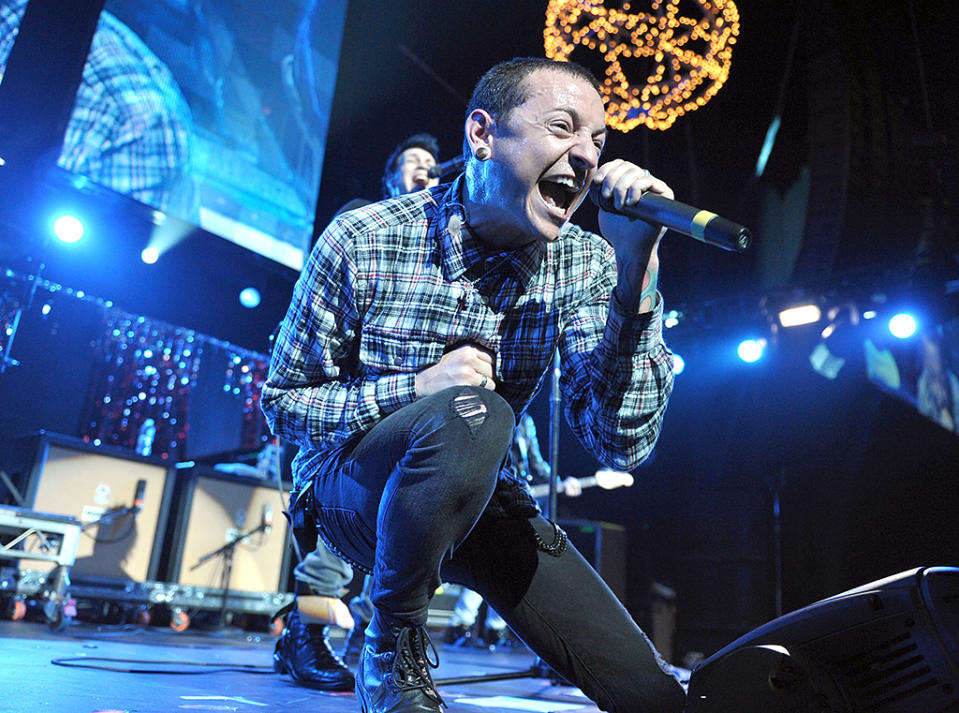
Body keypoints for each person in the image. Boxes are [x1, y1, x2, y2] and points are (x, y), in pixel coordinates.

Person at [262, 56, 685, 713]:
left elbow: (619, 444)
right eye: (562, 128)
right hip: (352, 499)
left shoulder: (583, 261)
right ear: (483, 134)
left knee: (651, 695)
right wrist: (418, 388)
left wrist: (636, 272)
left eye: (597, 142)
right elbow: (284, 406)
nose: (586, 158)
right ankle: (392, 639)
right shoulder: (366, 237)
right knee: (475, 412)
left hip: (478, 503)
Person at [271, 132, 442, 690]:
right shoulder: (362, 221)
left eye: (431, 166)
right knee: (333, 548)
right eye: (413, 163)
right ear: (392, 177)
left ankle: (358, 647)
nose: (425, 171)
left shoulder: (444, 238)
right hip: (350, 409)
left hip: (407, 413)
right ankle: (303, 636)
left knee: (393, 546)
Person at [444, 413, 582, 648]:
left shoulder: (525, 420)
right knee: (486, 563)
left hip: (518, 495)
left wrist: (558, 480)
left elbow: (535, 462)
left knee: (513, 564)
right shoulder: (484, 410)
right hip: (491, 496)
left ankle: (495, 629)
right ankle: (460, 625)